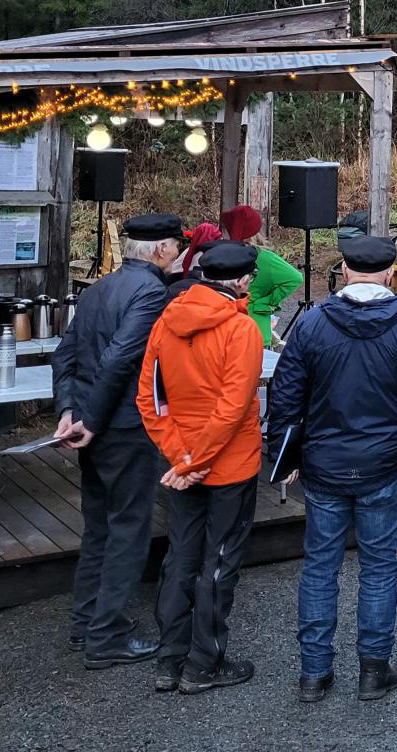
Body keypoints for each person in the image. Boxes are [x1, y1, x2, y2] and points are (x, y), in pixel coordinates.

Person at [267, 235, 397, 704]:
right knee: (379, 566)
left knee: (320, 565)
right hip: (385, 460)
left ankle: (314, 674)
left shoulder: (313, 324)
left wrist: (286, 455)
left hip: (324, 461)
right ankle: (372, 670)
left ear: (343, 271)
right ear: (388, 275)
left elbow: (286, 394)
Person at [52, 213, 184, 668]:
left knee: (99, 527)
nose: (180, 254)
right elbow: (119, 358)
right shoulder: (151, 292)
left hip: (94, 424)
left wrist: (69, 411)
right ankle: (105, 635)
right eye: (177, 247)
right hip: (125, 426)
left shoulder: (98, 288)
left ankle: (85, 622)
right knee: (128, 530)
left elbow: (64, 354)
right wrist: (87, 417)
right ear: (163, 250)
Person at [137, 241, 264, 695]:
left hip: (182, 462)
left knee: (180, 557)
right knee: (219, 561)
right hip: (227, 464)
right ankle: (204, 663)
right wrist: (196, 460)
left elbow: (150, 399)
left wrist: (180, 456)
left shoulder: (165, 322)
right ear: (243, 281)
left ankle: (169, 660)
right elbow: (232, 409)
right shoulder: (242, 329)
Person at [220, 204, 304, 347]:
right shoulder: (265, 258)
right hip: (257, 327)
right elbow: (295, 278)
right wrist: (266, 301)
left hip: (228, 328)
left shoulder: (223, 255)